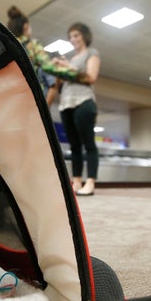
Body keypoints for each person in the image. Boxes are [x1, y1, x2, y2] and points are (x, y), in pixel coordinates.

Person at [6, 6, 88, 105]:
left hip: (10, 96)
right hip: (29, 96)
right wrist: (78, 75)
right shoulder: (31, 45)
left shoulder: (6, 47)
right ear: (26, 26)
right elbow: (48, 66)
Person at [59, 22, 100, 196]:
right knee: (74, 146)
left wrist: (69, 67)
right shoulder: (70, 59)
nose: (73, 39)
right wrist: (58, 69)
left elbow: (91, 77)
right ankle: (76, 181)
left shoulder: (92, 53)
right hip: (66, 103)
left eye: (76, 35)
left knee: (88, 143)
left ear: (84, 36)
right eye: (70, 36)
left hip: (84, 101)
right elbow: (60, 84)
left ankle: (90, 182)